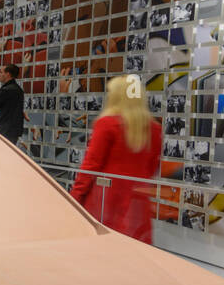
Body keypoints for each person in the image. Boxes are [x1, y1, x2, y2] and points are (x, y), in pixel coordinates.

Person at [70, 75, 163, 245]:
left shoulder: (107, 124)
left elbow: (90, 166)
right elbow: (152, 168)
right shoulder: (154, 129)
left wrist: (74, 199)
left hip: (105, 200)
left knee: (103, 250)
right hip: (137, 202)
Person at [0, 63, 25, 144]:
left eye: (1, 72)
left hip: (2, 130)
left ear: (8, 74)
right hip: (14, 132)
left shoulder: (6, 90)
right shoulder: (19, 90)